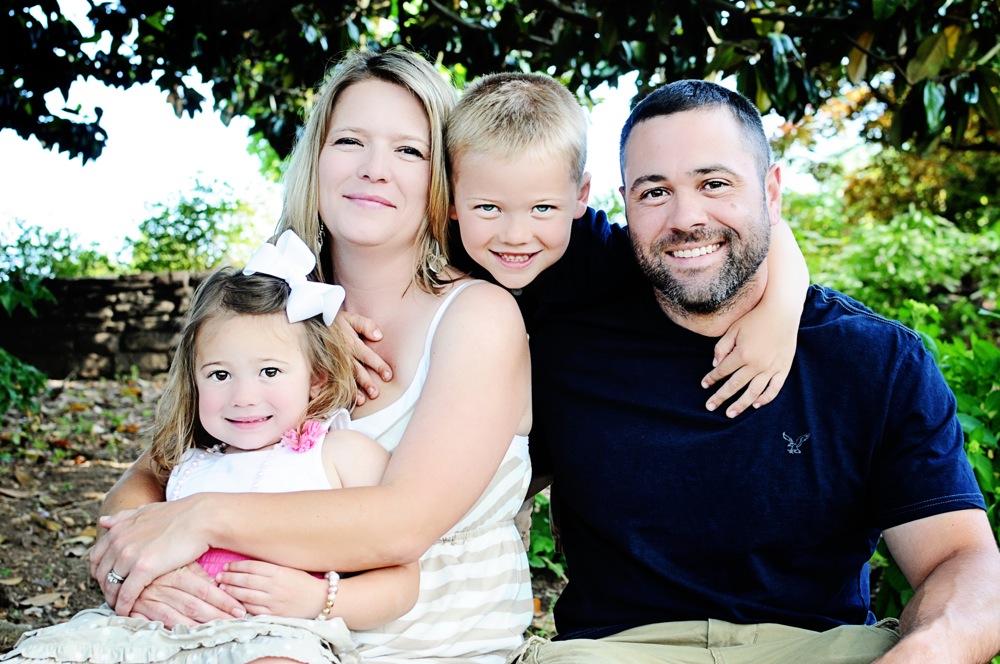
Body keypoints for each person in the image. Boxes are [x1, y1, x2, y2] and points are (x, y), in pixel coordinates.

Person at [511, 79, 1000, 663]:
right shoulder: (566, 334)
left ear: (772, 191)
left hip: (820, 651)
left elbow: (961, 558)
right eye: (654, 192)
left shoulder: (876, 361)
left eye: (714, 184)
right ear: (624, 203)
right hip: (617, 652)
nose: (686, 218)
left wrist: (931, 651)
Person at [88, 48, 534, 663]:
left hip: (424, 650)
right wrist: (145, 573)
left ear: (443, 178)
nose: (374, 169)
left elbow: (402, 525)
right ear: (316, 158)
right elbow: (150, 477)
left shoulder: (478, 316)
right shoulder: (272, 314)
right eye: (350, 141)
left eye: (409, 150)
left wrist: (202, 519)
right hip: (243, 636)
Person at [3, 231, 417, 662]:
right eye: (220, 375)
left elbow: (402, 581)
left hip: (270, 636)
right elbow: (122, 537)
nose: (244, 397)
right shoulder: (187, 464)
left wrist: (317, 598)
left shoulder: (338, 454)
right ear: (195, 380)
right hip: (158, 634)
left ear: (316, 378)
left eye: (270, 372)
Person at [445, 72, 809, 418]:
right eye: (488, 208)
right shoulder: (439, 250)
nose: (516, 235)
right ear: (450, 199)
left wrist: (779, 314)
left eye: (542, 208)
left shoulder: (597, 253)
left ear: (580, 197)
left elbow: (763, 227)